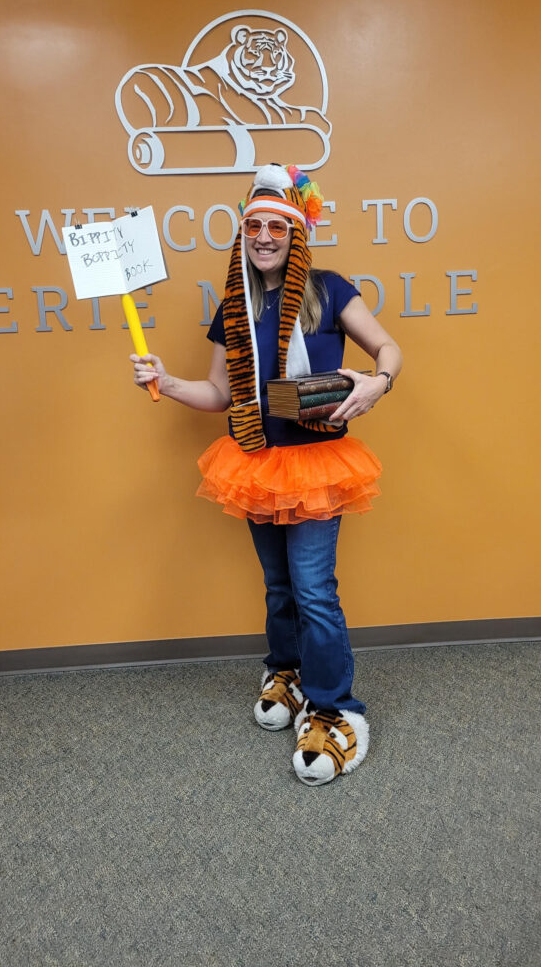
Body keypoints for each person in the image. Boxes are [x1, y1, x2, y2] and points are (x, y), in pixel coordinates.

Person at [131, 164, 402, 786]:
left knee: (312, 590)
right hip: (255, 461)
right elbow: (220, 393)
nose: (264, 236)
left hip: (315, 463)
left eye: (276, 225)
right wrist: (165, 382)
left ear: (295, 232)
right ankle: (286, 670)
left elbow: (389, 349)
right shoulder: (232, 305)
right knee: (279, 588)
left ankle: (337, 710)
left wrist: (377, 382)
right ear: (242, 233)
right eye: (253, 225)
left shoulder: (330, 289)